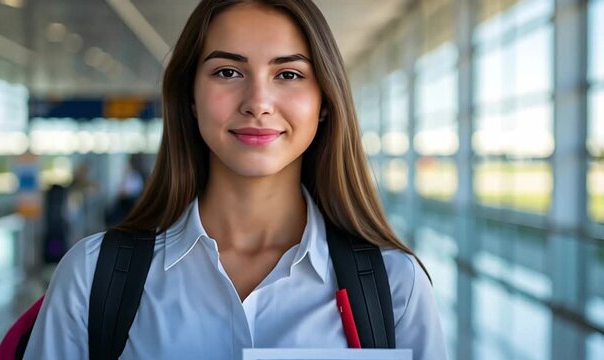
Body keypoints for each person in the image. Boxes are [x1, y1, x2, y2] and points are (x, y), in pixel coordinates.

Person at [24, 0, 446, 359]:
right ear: (189, 98)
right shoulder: (92, 275)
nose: (258, 103)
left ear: (324, 102)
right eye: (227, 72)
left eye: (289, 74)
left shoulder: (395, 287)